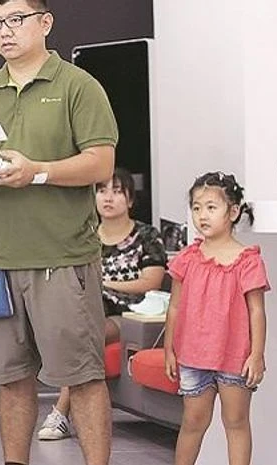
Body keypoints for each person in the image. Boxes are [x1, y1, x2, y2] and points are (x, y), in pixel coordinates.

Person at [0, 1, 118, 464]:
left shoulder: (78, 86)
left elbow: (101, 163)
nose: (5, 31)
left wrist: (38, 172)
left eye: (16, 20)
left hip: (62, 261)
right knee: (10, 378)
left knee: (82, 378)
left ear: (44, 23)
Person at [38, 167, 166, 440]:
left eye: (118, 192)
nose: (108, 198)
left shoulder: (146, 235)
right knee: (73, 329)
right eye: (102, 190)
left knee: (86, 335)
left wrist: (105, 284)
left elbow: (151, 281)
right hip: (87, 308)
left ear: (130, 200)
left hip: (130, 313)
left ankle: (60, 413)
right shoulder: (85, 237)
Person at [164, 172, 269, 465]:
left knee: (236, 423)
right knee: (192, 422)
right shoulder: (186, 258)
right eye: (196, 207)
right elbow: (174, 306)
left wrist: (257, 355)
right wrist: (169, 349)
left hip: (235, 358)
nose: (202, 215)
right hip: (193, 356)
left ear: (233, 212)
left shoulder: (248, 260)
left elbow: (257, 311)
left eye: (211, 207)